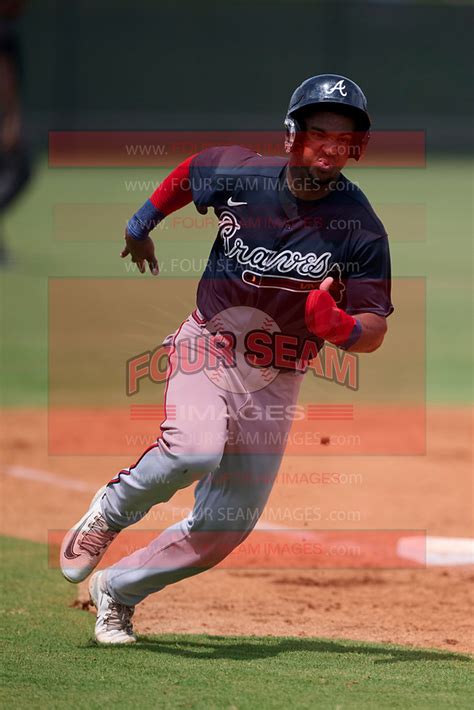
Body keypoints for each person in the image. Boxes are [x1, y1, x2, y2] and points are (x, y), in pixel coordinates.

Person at [60, 74, 393, 644]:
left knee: (225, 526)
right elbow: (192, 172)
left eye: (344, 138)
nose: (331, 147)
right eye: (319, 133)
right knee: (193, 448)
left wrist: (339, 327)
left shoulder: (359, 230)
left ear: (358, 147)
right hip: (209, 346)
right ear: (292, 136)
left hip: (278, 376)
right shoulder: (244, 176)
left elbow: (374, 327)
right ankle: (109, 511)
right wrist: (142, 223)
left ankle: (117, 591)